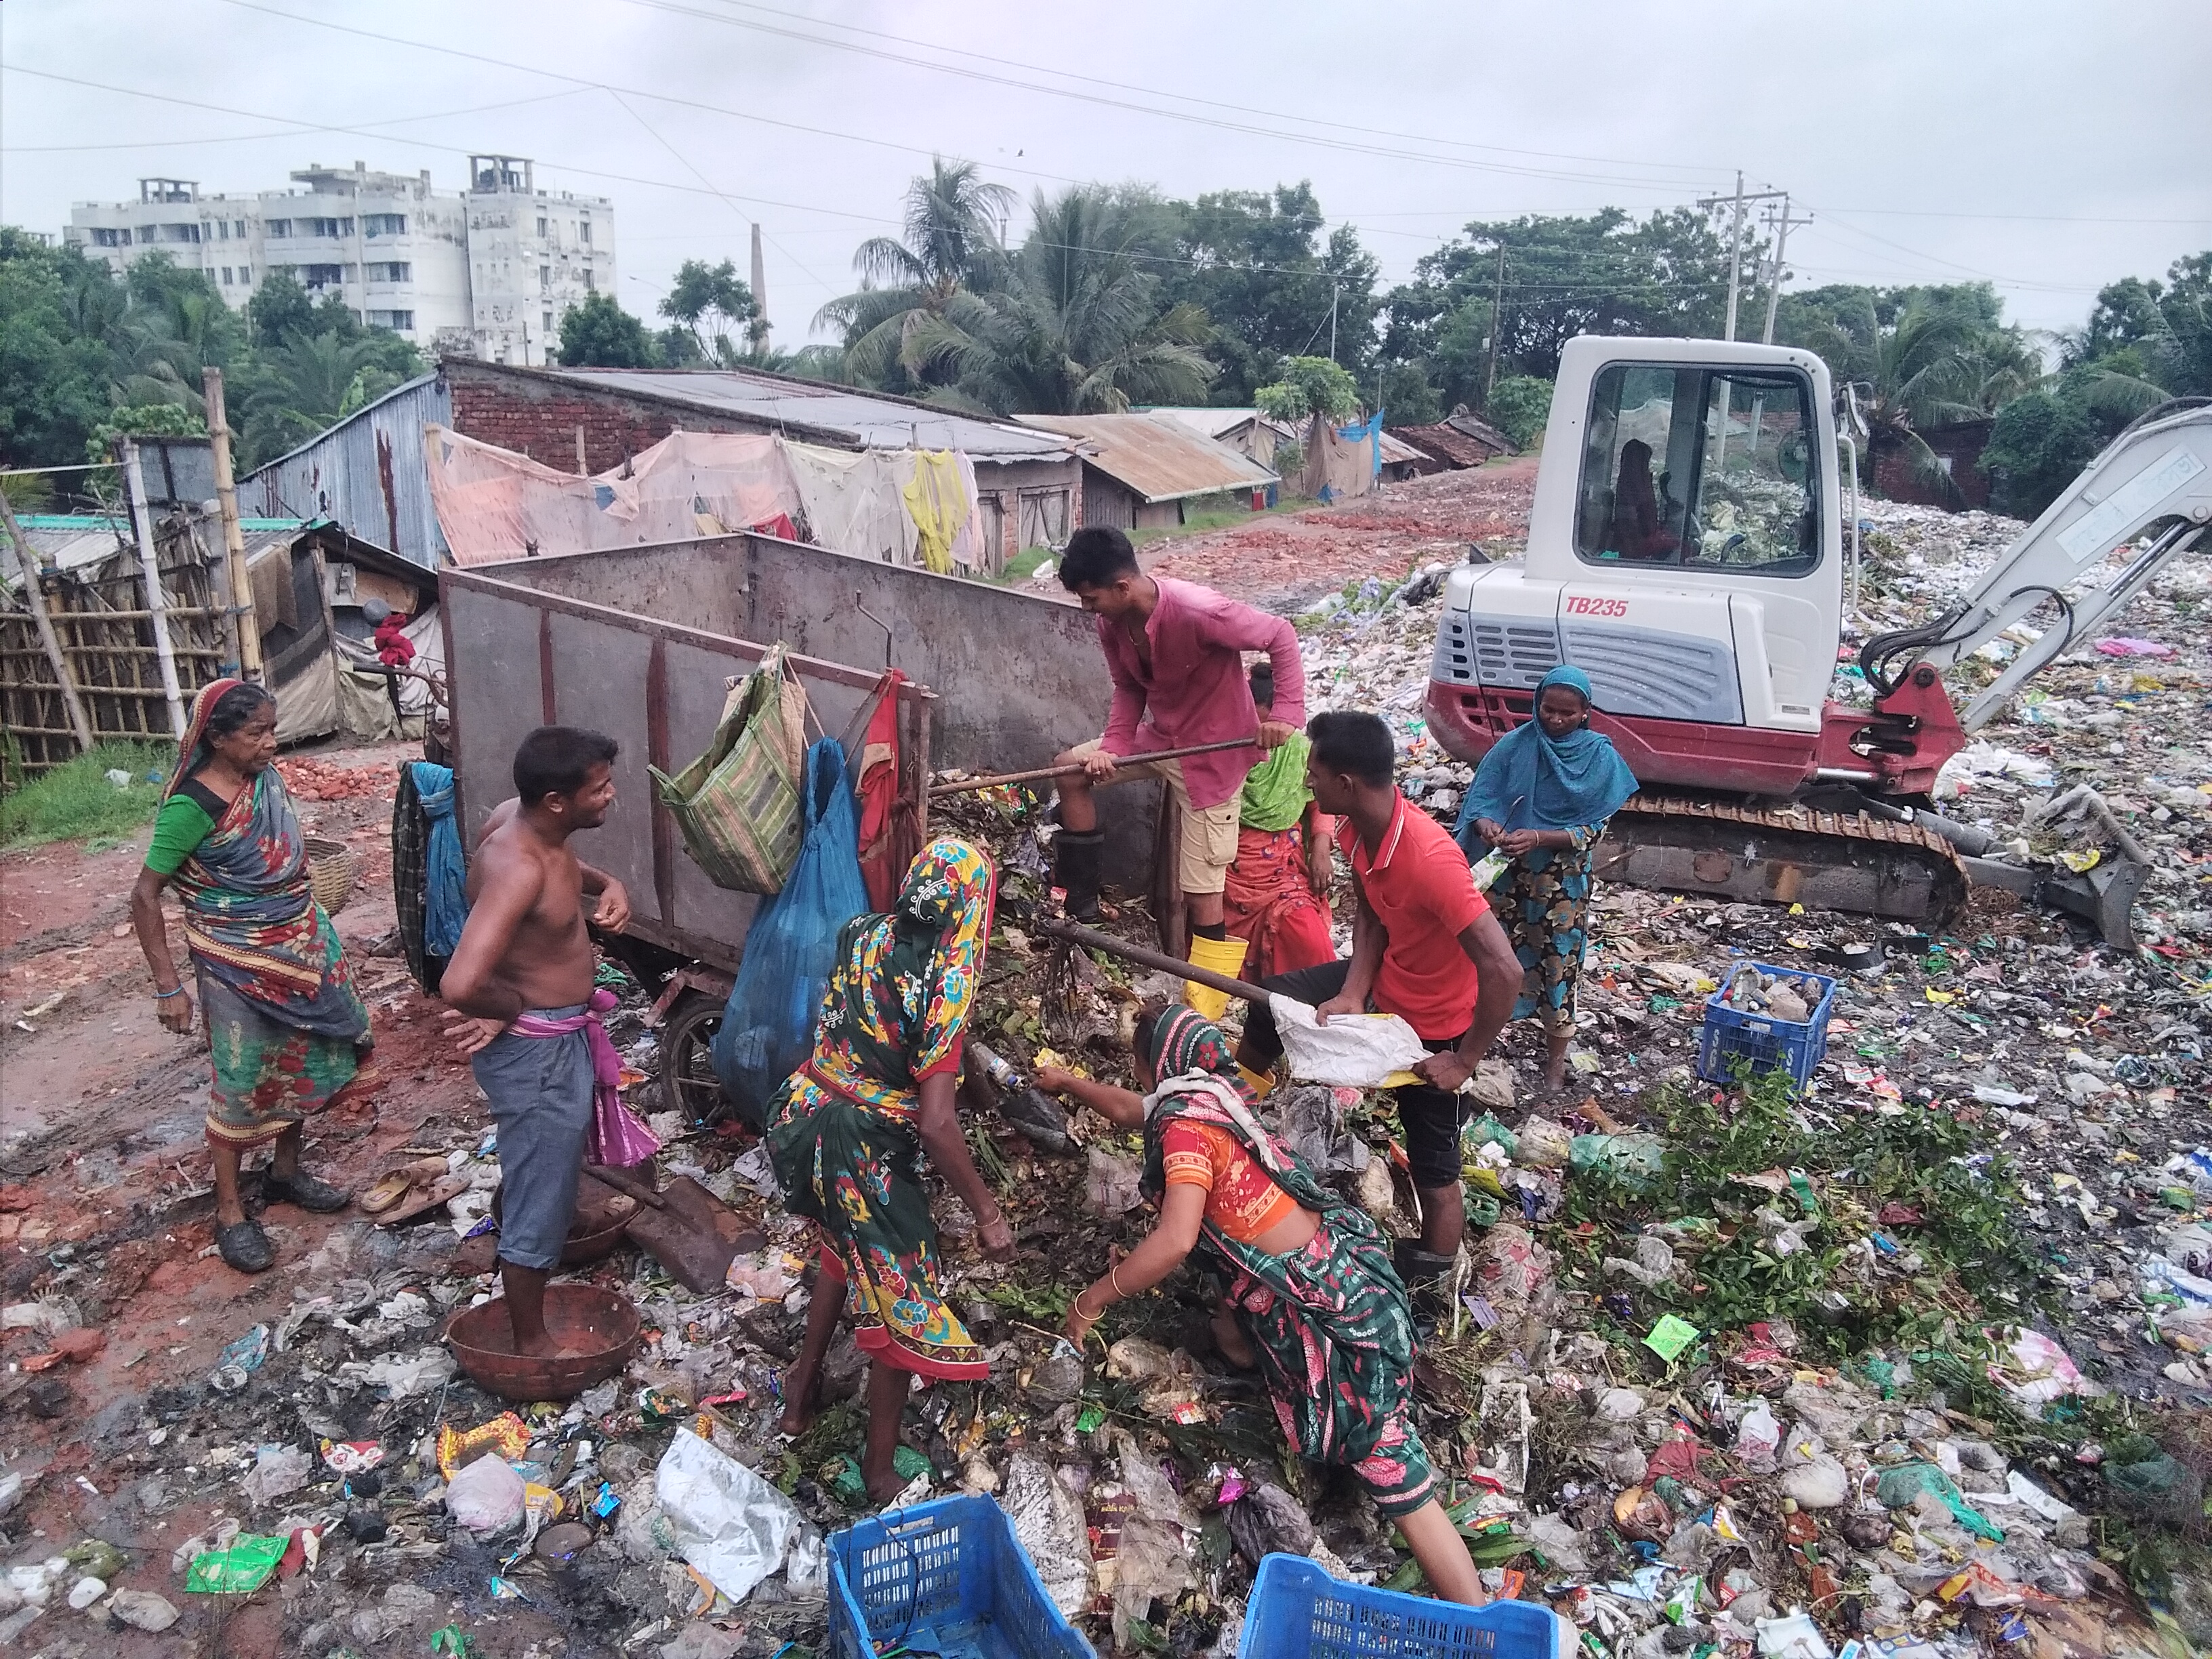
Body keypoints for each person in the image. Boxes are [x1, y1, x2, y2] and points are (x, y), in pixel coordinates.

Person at [1036, 1004, 1486, 1606]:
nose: (1138, 1076)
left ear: (1155, 1064)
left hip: (1334, 1317)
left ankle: (1478, 1623)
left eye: (1138, 1063)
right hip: (1342, 1275)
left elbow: (1175, 1240)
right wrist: (1066, 1083)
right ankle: (1248, 1354)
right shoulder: (1214, 1093)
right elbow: (1127, 1109)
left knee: (1393, 1467)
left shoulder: (1186, 1129)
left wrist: (1092, 1301)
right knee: (1228, 1295)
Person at [769, 839, 1016, 1503]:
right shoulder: (950, 976)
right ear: (973, 907)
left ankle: (799, 1394)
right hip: (859, 1142)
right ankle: (880, 1473)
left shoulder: (862, 933)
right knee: (905, 1301)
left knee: (839, 1246)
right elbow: (936, 1123)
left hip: (805, 1110)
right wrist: (987, 1212)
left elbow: (870, 1023)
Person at [1233, 712, 1520, 1282]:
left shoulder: (1431, 861)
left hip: (1435, 1026)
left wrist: (1464, 1061)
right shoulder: (1355, 829)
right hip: (1387, 982)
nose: (1306, 782)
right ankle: (1238, 1112)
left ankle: (1433, 1281)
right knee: (1268, 1000)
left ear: (1347, 783)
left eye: (1314, 772)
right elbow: (1369, 908)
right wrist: (1354, 991)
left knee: (1434, 1171)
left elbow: (1504, 969)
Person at [130, 679, 370, 1273]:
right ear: (215, 737)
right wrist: (168, 986)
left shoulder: (262, 779)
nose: (271, 742)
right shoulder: (193, 806)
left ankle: (286, 1173)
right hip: (235, 959)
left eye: (272, 728)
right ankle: (231, 1211)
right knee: (240, 1080)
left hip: (302, 939)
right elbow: (144, 896)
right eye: (256, 733)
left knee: (306, 1053)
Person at [1050, 525, 1305, 1015]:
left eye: (1091, 598)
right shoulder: (1113, 623)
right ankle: (1081, 914)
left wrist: (1286, 715)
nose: (1088, 609)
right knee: (1070, 770)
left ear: (1123, 587)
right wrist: (1116, 747)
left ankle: (1206, 1009)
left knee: (1201, 897)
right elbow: (1129, 688)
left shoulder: (1198, 610)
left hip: (1213, 757)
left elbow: (1280, 634)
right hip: (1164, 739)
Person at [441, 726, 634, 1359]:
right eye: (599, 790)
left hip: (556, 1039)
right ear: (557, 800)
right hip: (537, 1053)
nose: (610, 798)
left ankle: (533, 1281)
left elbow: (565, 867)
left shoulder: (516, 819)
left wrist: (609, 884)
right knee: (542, 1191)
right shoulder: (518, 868)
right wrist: (513, 1005)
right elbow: (462, 981)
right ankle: (529, 1341)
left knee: (545, 1171)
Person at [1456, 667, 1637, 1092]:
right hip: (1505, 876)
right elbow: (1482, 798)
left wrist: (1539, 836)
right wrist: (1488, 827)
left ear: (1586, 713)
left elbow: (1592, 829)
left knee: (1557, 964)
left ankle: (1554, 1067)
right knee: (1490, 960)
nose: (1555, 720)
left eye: (1567, 713)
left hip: (1559, 887)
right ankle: (1474, 1050)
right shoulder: (1516, 746)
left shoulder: (1599, 757)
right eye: (1548, 709)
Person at [1221, 661, 1336, 984]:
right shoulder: (1219, 745)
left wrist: (1322, 851)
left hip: (1282, 870)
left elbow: (1319, 804)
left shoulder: (1299, 751)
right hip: (1225, 868)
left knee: (1310, 941)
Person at [1609, 440, 1677, 560]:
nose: (1646, 468)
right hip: (1635, 550)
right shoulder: (1630, 487)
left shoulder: (1640, 483)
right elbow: (1630, 527)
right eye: (1643, 463)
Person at [363, 597, 416, 726]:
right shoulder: (389, 633)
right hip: (399, 662)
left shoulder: (385, 635)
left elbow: (381, 645)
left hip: (400, 662)